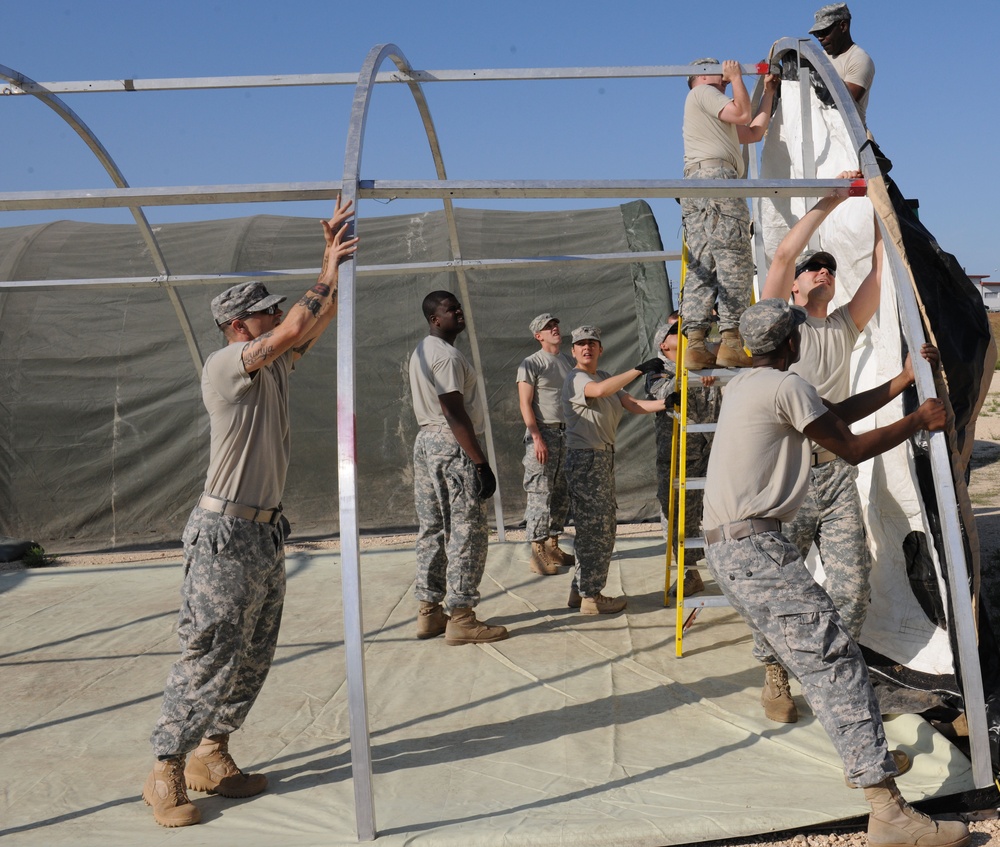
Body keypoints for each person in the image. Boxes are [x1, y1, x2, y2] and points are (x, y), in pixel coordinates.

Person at [702, 299, 967, 847]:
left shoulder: (748, 385)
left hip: (732, 549)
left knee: (822, 659)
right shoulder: (786, 387)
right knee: (836, 663)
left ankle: (865, 760)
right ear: (794, 342)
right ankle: (887, 809)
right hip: (756, 548)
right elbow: (847, 447)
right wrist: (918, 417)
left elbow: (836, 415)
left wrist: (900, 382)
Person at [143, 197, 359, 828]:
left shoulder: (274, 367)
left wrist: (335, 268)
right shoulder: (227, 367)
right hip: (223, 531)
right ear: (239, 326)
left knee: (255, 650)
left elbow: (315, 321)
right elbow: (296, 327)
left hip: (264, 532)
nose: (272, 320)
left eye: (272, 312)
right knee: (209, 650)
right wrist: (323, 270)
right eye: (262, 314)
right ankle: (165, 766)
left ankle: (214, 753)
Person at [758, 174, 880, 722]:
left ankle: (835, 675)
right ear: (795, 287)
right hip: (789, 474)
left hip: (835, 477)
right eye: (814, 268)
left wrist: (884, 213)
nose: (822, 272)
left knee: (853, 584)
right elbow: (785, 253)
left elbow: (880, 272)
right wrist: (835, 199)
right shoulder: (782, 323)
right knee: (782, 585)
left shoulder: (846, 326)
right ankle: (775, 669)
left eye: (829, 268)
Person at [409, 291, 508, 646]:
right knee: (467, 530)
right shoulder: (446, 356)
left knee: (432, 528)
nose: (459, 313)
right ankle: (462, 616)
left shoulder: (422, 351)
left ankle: (429, 611)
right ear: (435, 319)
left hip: (426, 442)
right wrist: (480, 463)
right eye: (451, 310)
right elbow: (453, 410)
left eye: (459, 307)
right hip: (451, 443)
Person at [681, 57, 779, 369]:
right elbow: (742, 112)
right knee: (734, 260)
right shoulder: (703, 93)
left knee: (703, 262)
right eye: (718, 75)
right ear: (701, 76)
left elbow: (753, 132)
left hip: (696, 185)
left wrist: (769, 92)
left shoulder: (711, 118)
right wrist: (737, 76)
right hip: (717, 180)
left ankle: (696, 343)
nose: (723, 79)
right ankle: (732, 341)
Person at [561, 325, 667, 614]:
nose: (587, 348)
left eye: (592, 343)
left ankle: (580, 590)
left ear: (600, 349)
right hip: (585, 459)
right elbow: (598, 391)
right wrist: (638, 369)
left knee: (592, 528)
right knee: (598, 529)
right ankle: (592, 598)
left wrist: (666, 403)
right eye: (581, 344)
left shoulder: (606, 376)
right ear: (573, 351)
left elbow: (632, 404)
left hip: (600, 459)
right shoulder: (576, 378)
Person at [646, 313, 721, 596]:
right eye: (677, 332)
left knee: (720, 516)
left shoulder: (707, 360)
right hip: (678, 460)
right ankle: (690, 574)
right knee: (677, 520)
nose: (686, 335)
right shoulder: (659, 370)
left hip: (713, 454)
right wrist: (692, 371)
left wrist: (709, 364)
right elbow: (665, 393)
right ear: (664, 346)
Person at [517, 313, 576, 575]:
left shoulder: (566, 361)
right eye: (547, 327)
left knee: (561, 493)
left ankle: (553, 544)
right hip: (544, 433)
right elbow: (524, 403)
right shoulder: (531, 363)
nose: (554, 329)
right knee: (540, 493)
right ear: (538, 336)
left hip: (567, 434)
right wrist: (537, 437)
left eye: (555, 324)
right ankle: (537, 551)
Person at [810, 3, 875, 126]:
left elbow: (843, 103)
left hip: (847, 140)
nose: (820, 38)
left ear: (843, 26)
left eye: (824, 31)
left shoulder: (859, 59)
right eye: (817, 34)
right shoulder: (819, 59)